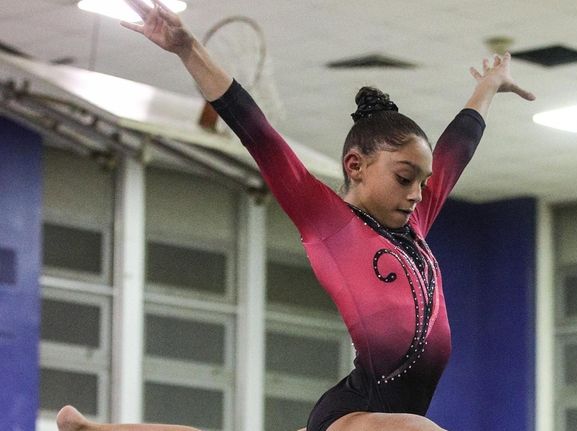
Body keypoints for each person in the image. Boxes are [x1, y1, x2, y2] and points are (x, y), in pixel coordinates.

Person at [57, 0, 535, 430]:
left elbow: (459, 146)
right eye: (405, 177)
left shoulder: (413, 222)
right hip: (356, 415)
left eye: (424, 182)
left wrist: (489, 85)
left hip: (377, 414)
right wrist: (187, 48)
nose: (418, 193)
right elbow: (254, 129)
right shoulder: (328, 221)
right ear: (356, 166)